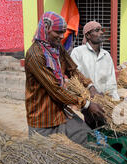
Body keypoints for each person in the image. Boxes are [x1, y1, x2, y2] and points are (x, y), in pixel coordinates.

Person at [24, 11, 104, 145]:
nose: (62, 36)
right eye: (58, 32)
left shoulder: (57, 48)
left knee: (90, 141)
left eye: (63, 32)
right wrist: (87, 104)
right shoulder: (35, 55)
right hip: (43, 119)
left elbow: (72, 70)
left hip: (61, 113)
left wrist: (90, 86)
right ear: (46, 29)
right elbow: (55, 90)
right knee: (47, 158)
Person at [70, 21, 120, 101]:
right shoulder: (78, 52)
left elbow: (111, 81)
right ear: (88, 35)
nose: (101, 33)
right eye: (97, 30)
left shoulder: (106, 55)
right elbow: (75, 75)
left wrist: (113, 99)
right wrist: (89, 90)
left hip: (102, 101)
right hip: (82, 101)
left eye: (101, 30)